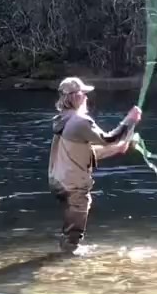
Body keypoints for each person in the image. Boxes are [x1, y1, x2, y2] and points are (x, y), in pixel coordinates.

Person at [47, 77, 142, 253]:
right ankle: (70, 251)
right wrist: (130, 120)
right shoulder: (80, 121)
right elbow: (109, 138)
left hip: (57, 180)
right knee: (78, 213)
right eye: (83, 94)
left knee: (72, 215)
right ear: (75, 97)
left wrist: (117, 149)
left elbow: (83, 151)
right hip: (72, 183)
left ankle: (65, 250)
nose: (86, 97)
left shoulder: (61, 120)